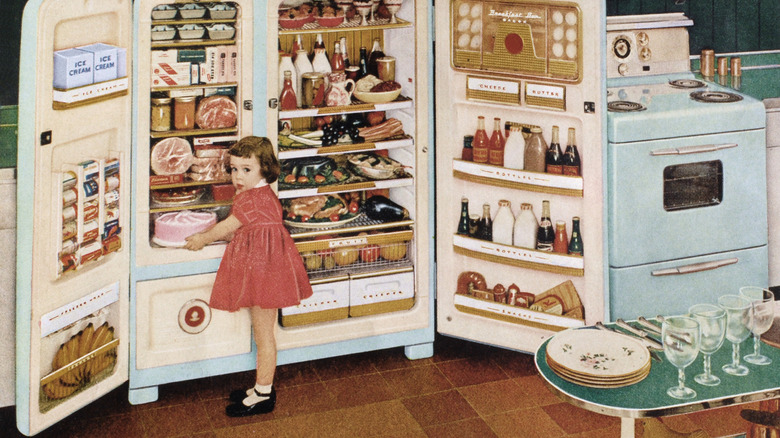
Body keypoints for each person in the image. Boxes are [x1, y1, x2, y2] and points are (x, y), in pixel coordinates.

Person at [184, 136, 313, 417]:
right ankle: (259, 388)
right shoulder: (260, 194)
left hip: (264, 273)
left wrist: (202, 239)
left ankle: (264, 393)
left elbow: (228, 226)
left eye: (246, 170)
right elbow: (246, 227)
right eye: (234, 169)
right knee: (262, 333)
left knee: (264, 335)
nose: (238, 177)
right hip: (267, 268)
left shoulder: (251, 200)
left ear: (264, 170)